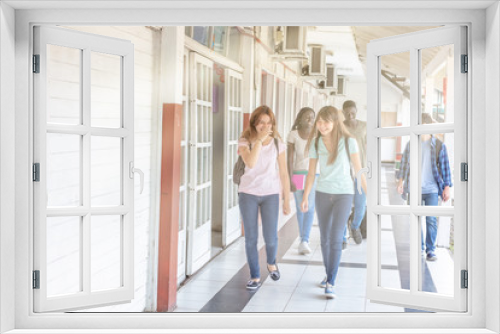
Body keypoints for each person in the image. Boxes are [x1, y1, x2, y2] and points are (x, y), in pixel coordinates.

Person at [301, 106, 367, 299]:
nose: (322, 125)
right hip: (322, 193)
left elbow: (358, 169)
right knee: (324, 238)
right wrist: (305, 196)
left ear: (335, 122)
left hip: (344, 194)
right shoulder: (315, 143)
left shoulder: (349, 142)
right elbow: (311, 173)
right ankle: (329, 272)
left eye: (326, 121)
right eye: (319, 122)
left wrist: (367, 193)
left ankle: (331, 281)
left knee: (337, 236)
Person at [237, 105, 291, 290]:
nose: (265, 126)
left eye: (268, 123)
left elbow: (284, 173)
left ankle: (271, 262)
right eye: (261, 122)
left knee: (271, 236)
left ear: (273, 124)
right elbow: (250, 163)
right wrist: (258, 141)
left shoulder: (278, 144)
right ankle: (254, 275)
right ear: (254, 123)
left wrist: (287, 200)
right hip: (248, 194)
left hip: (270, 194)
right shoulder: (245, 141)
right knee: (251, 238)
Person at [396, 113, 453, 262]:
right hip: (414, 188)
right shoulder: (411, 144)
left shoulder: (439, 145)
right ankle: (419, 247)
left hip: (432, 189)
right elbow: (404, 164)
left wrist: (447, 187)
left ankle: (430, 250)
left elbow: (446, 167)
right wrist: (400, 181)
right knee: (414, 219)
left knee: (431, 220)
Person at [287, 107, 317, 255]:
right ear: (300, 118)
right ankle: (302, 239)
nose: (310, 119)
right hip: (298, 175)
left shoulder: (317, 134)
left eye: (312, 117)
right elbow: (290, 158)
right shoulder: (293, 135)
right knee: (300, 207)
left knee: (310, 207)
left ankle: (305, 240)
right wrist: (290, 178)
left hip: (315, 175)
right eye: (307, 117)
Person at [341, 100, 367, 246]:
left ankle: (355, 226)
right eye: (347, 113)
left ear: (356, 111)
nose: (350, 115)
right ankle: (343, 236)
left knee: (361, 204)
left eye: (353, 112)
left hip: (361, 170)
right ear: (343, 112)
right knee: (344, 205)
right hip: (344, 171)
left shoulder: (364, 126)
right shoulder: (340, 127)